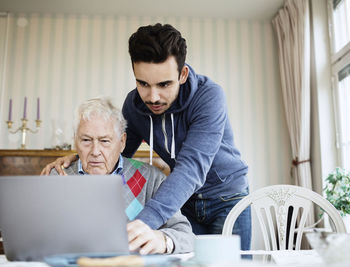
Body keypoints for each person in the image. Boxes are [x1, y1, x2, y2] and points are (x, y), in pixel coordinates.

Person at [42, 23, 251, 250]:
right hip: (183, 200)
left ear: (182, 75)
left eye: (164, 84)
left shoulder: (209, 96)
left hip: (227, 197)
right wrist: (79, 157)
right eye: (143, 83)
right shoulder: (133, 106)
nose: (153, 97)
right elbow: (116, 148)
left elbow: (192, 167)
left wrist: (143, 224)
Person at [49, 97, 194, 255]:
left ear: (122, 142)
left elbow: (185, 235)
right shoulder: (57, 176)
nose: (95, 151)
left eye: (104, 141)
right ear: (75, 141)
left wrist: (163, 239)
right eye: (86, 140)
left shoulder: (152, 178)